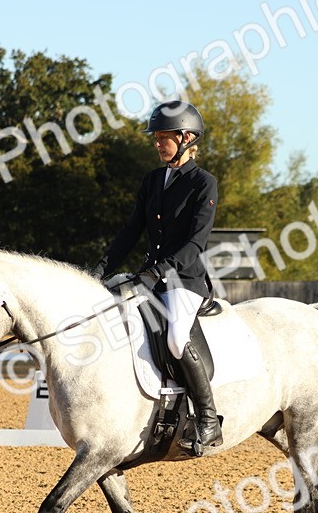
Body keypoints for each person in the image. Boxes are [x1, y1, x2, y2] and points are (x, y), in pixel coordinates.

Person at [93, 100, 223, 453]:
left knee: (177, 339)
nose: (156, 143)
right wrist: (100, 269)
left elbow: (195, 243)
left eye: (162, 137)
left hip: (184, 281)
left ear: (185, 137)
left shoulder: (203, 183)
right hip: (149, 277)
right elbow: (130, 231)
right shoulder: (151, 181)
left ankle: (209, 419)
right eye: (156, 137)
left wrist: (158, 272)